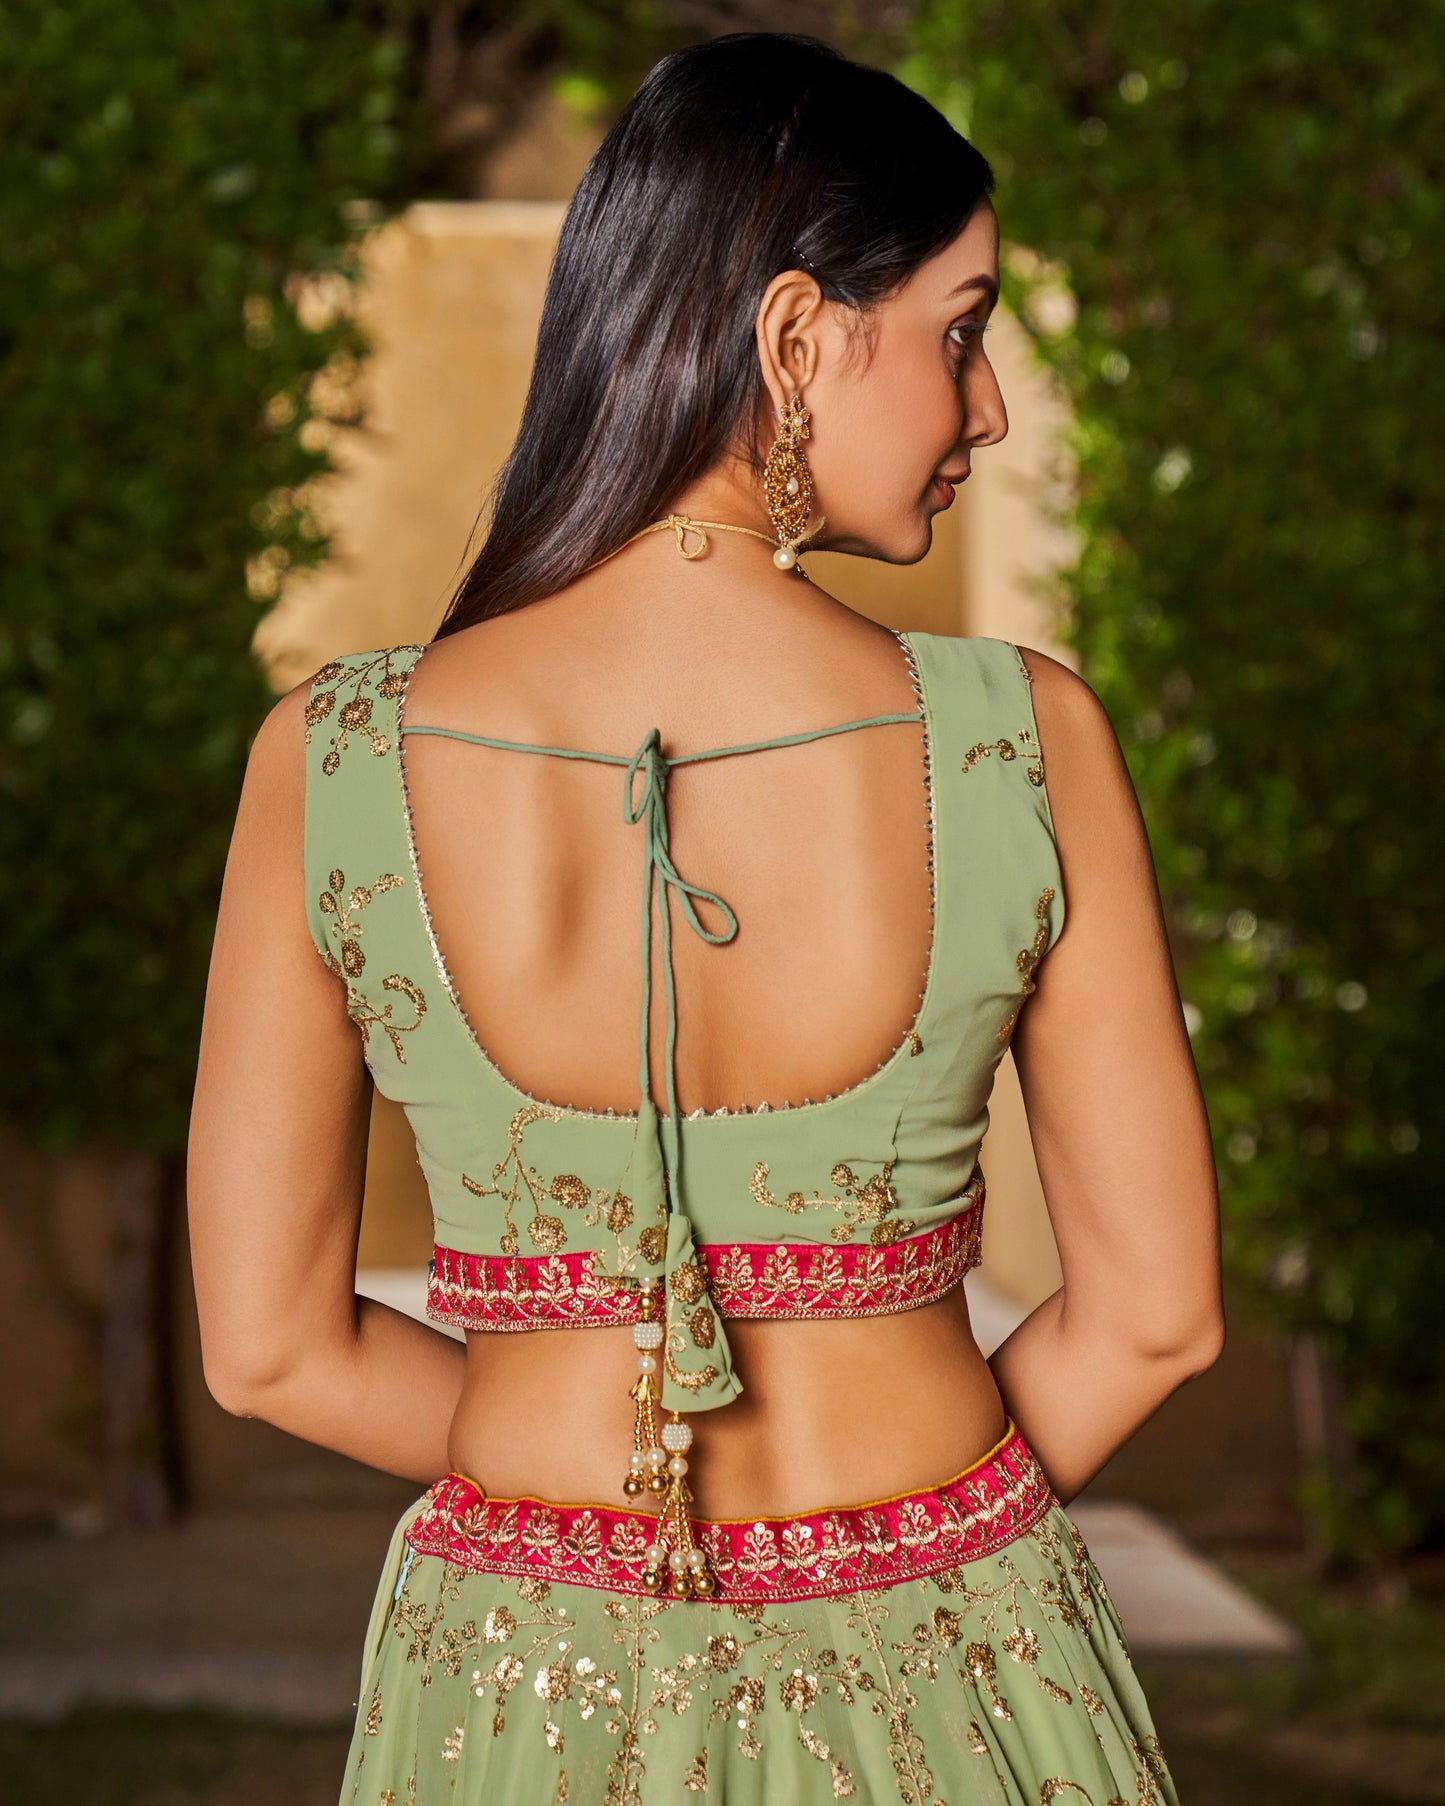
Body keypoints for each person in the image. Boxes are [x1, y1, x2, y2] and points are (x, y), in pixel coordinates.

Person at [188, 31, 1222, 1804]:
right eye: (962, 332)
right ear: (799, 334)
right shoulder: (1021, 740)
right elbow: (1152, 1315)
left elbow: (269, 1344)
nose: (987, 410)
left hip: (516, 1667)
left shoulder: (333, 759)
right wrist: (929, 1523)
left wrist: (555, 1464)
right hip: (963, 1648)